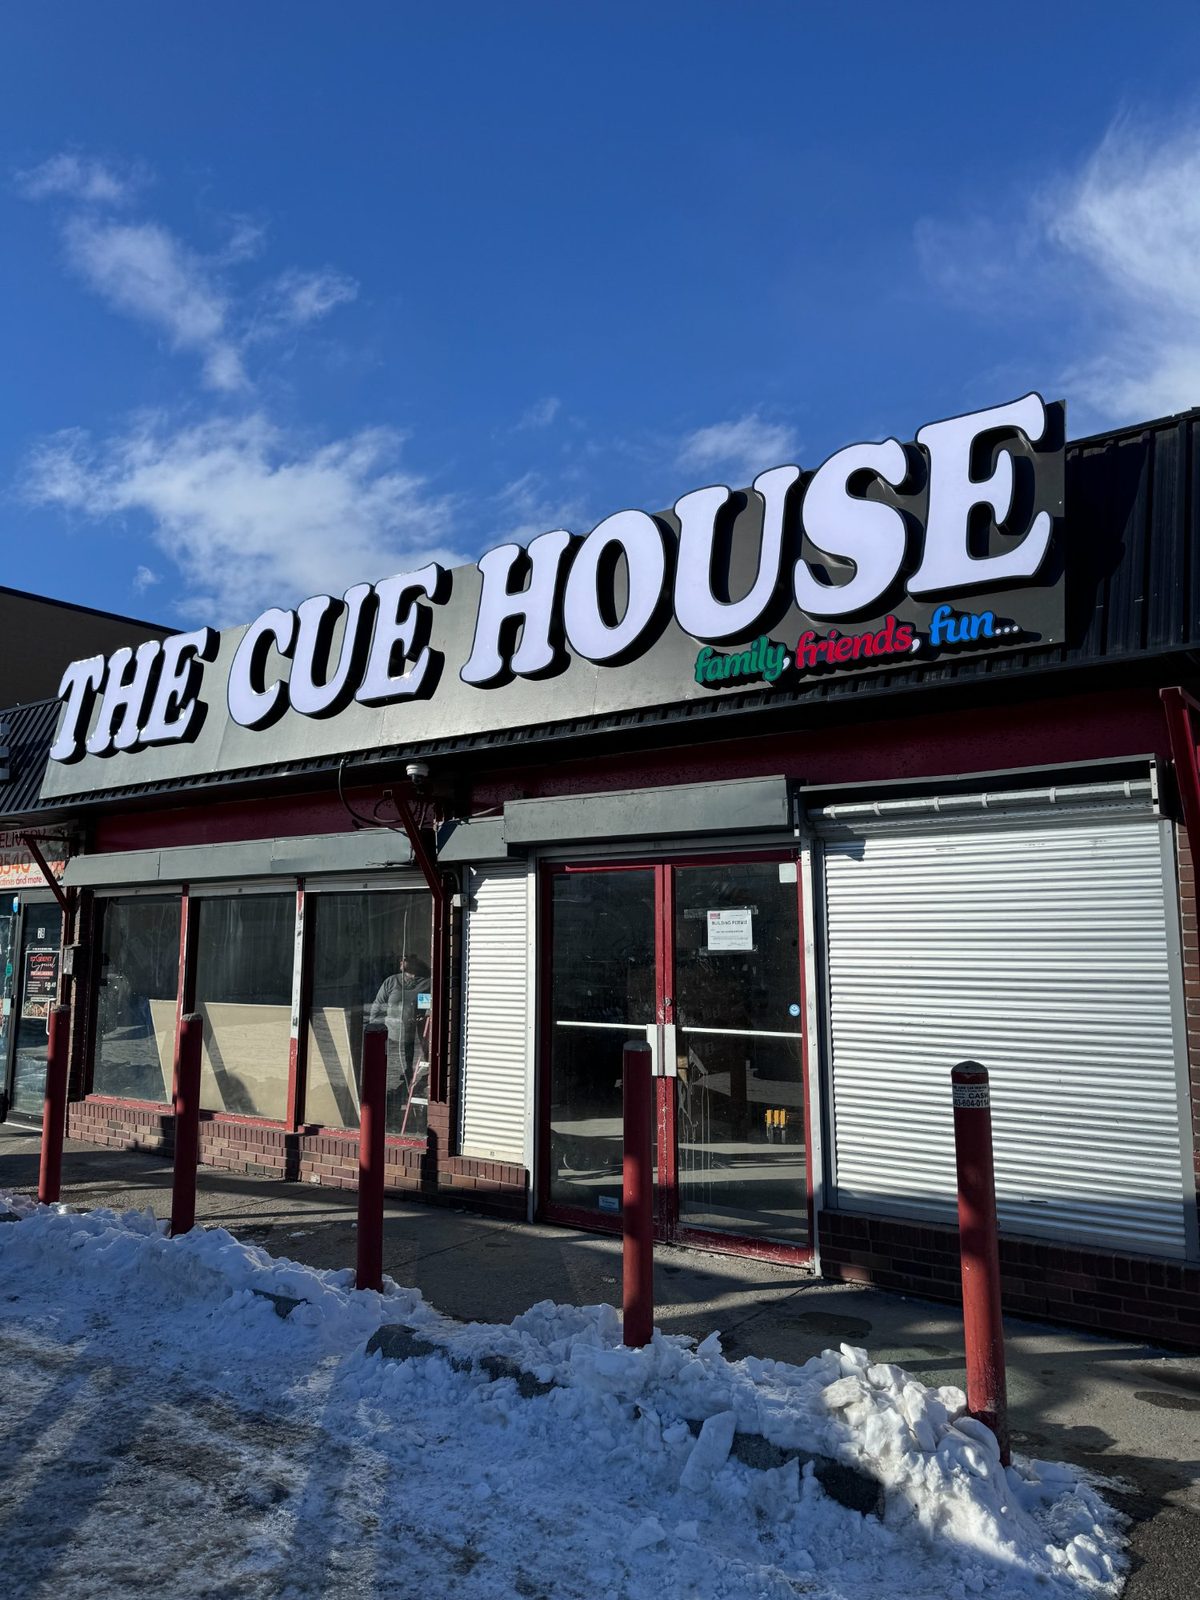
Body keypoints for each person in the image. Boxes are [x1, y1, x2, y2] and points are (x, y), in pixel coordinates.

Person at [368, 951, 431, 1129]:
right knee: (394, 1077)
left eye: (407, 958)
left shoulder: (426, 983)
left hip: (414, 1038)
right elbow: (378, 1004)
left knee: (411, 1075)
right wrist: (372, 1028)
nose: (402, 961)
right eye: (401, 958)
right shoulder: (392, 981)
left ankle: (408, 1112)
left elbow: (429, 1008)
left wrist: (424, 1014)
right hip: (392, 1036)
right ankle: (389, 1115)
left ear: (417, 961)